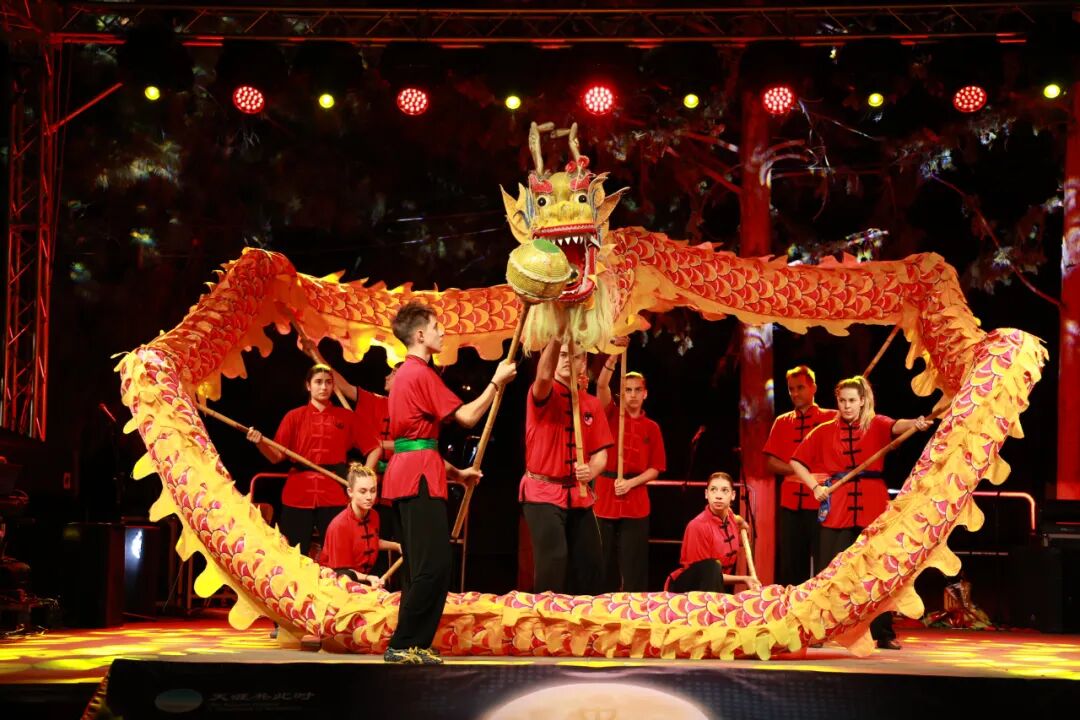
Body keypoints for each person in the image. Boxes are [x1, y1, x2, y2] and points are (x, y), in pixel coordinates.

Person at [382, 301, 516, 665]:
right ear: (420, 335)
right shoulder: (420, 374)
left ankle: (412, 644)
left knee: (419, 568)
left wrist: (458, 474)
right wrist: (496, 382)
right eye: (436, 326)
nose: (442, 332)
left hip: (411, 471)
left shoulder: (406, 375)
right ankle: (403, 643)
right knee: (434, 566)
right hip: (417, 478)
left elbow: (419, 442)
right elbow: (468, 417)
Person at [790, 375, 930, 650]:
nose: (847, 406)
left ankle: (882, 632)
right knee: (830, 573)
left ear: (863, 401)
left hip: (873, 504)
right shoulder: (824, 431)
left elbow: (896, 426)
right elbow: (797, 461)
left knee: (878, 571)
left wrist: (915, 423)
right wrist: (815, 487)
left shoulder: (875, 424)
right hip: (838, 506)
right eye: (842, 401)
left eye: (852, 400)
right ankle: (819, 630)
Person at [246, 364, 372, 556]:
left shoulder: (347, 417)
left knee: (337, 554)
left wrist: (363, 480)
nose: (323, 387)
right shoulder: (294, 417)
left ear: (333, 386)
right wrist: (260, 443)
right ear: (308, 385)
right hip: (298, 494)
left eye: (328, 382)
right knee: (292, 555)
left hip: (334, 494)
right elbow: (276, 457)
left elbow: (374, 447)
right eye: (318, 382)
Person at [520, 339, 613, 595]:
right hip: (542, 492)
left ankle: (582, 618)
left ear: (583, 363)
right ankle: (546, 618)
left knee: (591, 564)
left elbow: (601, 454)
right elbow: (543, 375)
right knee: (554, 561)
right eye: (562, 355)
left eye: (574, 356)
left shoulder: (591, 403)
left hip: (578, 494)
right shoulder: (542, 393)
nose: (567, 361)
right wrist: (557, 335)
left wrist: (591, 470)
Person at [595, 351, 666, 592]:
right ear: (621, 393)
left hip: (635, 500)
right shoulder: (610, 414)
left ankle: (634, 608)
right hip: (605, 496)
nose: (633, 394)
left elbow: (656, 468)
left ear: (645, 394)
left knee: (634, 564)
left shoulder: (652, 428)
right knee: (603, 562)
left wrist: (630, 483)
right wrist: (613, 358)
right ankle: (601, 607)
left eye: (637, 390)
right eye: (628, 390)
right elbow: (601, 385)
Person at [762, 365, 837, 586]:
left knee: (826, 564)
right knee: (791, 566)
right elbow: (770, 462)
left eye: (800, 388)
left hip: (824, 502)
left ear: (813, 388)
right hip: (791, 505)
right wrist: (799, 470)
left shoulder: (832, 418)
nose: (795, 393)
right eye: (791, 389)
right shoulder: (782, 421)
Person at [665, 472, 761, 593]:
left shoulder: (730, 517)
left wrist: (742, 522)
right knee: (712, 566)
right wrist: (744, 579)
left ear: (733, 495)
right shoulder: (697, 526)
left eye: (724, 490)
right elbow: (708, 575)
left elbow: (734, 517)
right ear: (706, 494)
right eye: (713, 490)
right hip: (689, 587)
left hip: (713, 586)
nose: (718, 496)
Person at [318, 463, 402, 586]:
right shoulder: (339, 525)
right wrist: (368, 578)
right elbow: (342, 572)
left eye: (373, 491)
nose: (369, 497)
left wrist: (397, 546)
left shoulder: (374, 515)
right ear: (350, 492)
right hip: (335, 582)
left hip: (361, 576)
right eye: (363, 491)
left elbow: (371, 542)